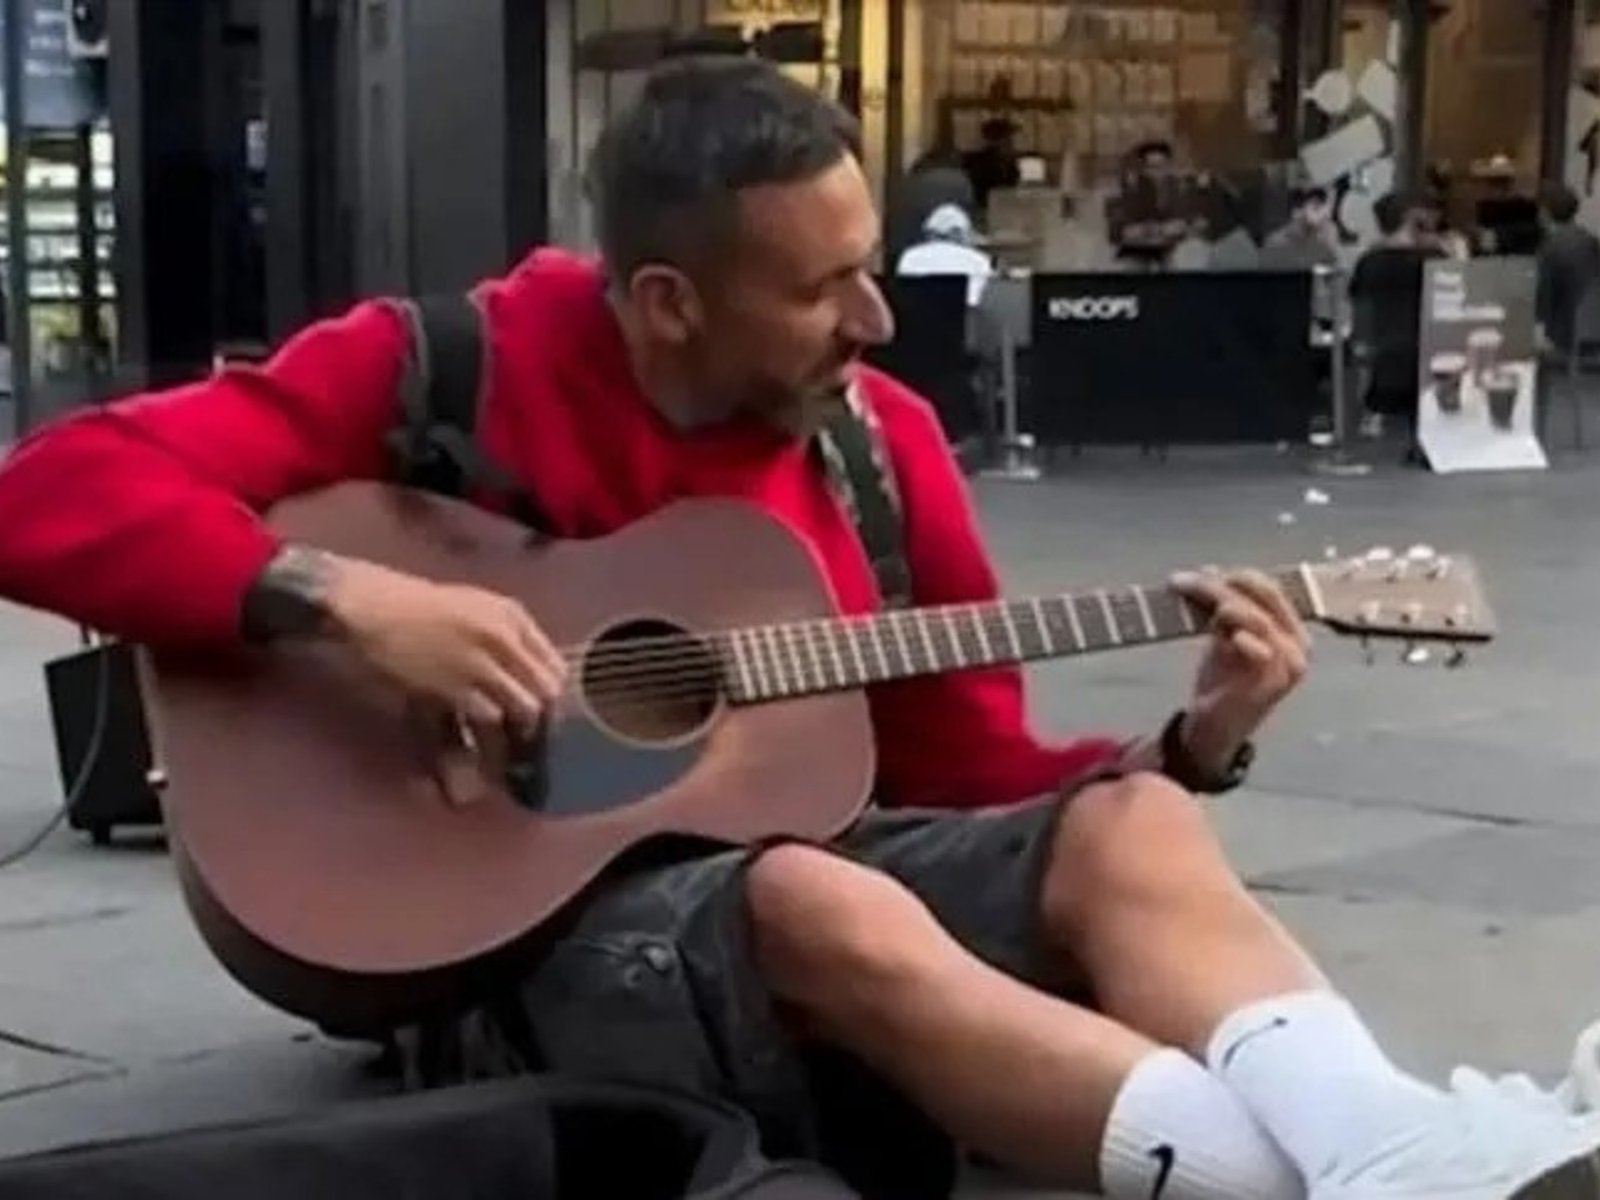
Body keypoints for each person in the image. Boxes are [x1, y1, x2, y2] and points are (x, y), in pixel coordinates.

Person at [0, 56, 1596, 1200]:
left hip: (795, 896)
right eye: (826, 287)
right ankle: (1410, 1159)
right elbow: (47, 491)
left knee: (1133, 826)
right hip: (503, 941)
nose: (879, 319)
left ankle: (1394, 1155)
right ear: (667, 303)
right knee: (810, 894)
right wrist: (349, 602)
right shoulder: (443, 370)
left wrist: (1195, 744)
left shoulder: (882, 445)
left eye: (872, 268)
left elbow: (974, 774)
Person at [1534, 182, 1600, 358]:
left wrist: (1540, 333)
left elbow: (1545, 295)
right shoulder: (1589, 239)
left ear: (1544, 213)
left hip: (1566, 334)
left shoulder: (1550, 248)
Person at [894, 203, 994, 308]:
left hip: (919, 314)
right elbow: (974, 301)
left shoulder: (910, 257)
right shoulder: (978, 260)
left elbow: (904, 296)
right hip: (963, 315)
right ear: (964, 232)